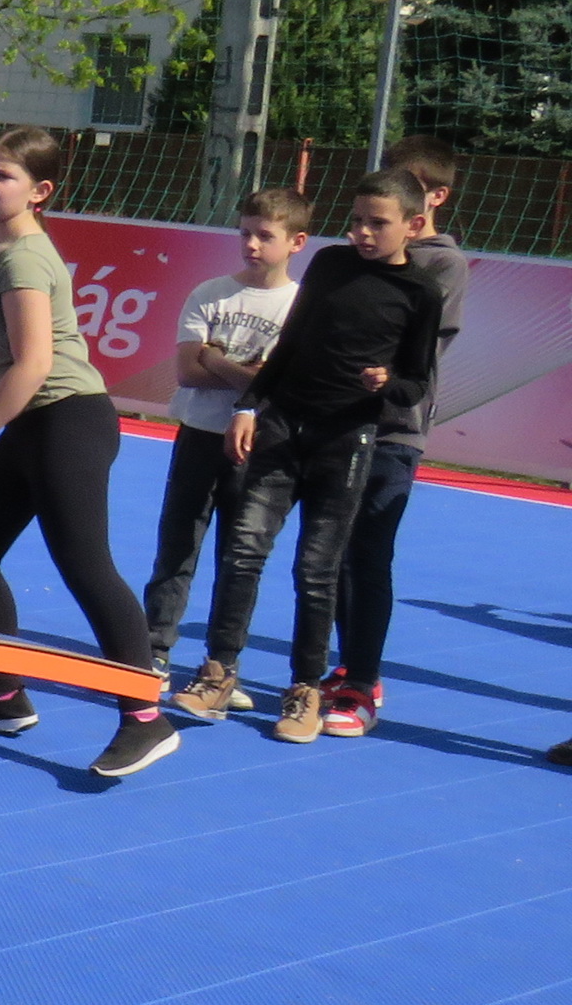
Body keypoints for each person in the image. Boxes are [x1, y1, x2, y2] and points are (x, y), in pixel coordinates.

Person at [0, 126, 177, 778]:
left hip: (69, 421)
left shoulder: (24, 260)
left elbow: (34, 363)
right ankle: (4, 696)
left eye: (4, 175)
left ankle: (146, 718)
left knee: (86, 566)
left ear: (40, 192)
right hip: (34, 423)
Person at [172, 169, 445, 743]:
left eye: (377, 223)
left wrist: (387, 383)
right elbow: (290, 344)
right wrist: (250, 405)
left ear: (413, 225)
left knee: (316, 570)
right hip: (282, 429)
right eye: (356, 220)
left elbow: (416, 383)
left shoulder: (422, 292)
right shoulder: (328, 265)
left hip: (346, 440)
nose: (362, 232)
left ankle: (304, 691)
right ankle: (218, 671)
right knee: (243, 551)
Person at [142, 187, 312, 703]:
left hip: (261, 446)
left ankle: (221, 662)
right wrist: (247, 373)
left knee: (239, 558)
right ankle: (154, 649)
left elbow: (281, 384)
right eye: (245, 234)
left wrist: (217, 360)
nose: (252, 245)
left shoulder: (302, 306)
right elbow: (187, 371)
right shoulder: (211, 293)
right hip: (199, 435)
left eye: (265, 236)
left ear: (296, 242)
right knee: (177, 545)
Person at [323, 137, 469, 735]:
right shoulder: (352, 257)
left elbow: (416, 354)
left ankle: (362, 682)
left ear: (433, 200)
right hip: (336, 421)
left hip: (394, 430)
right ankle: (346, 664)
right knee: (329, 552)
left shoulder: (441, 267)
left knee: (368, 552)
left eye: (410, 187)